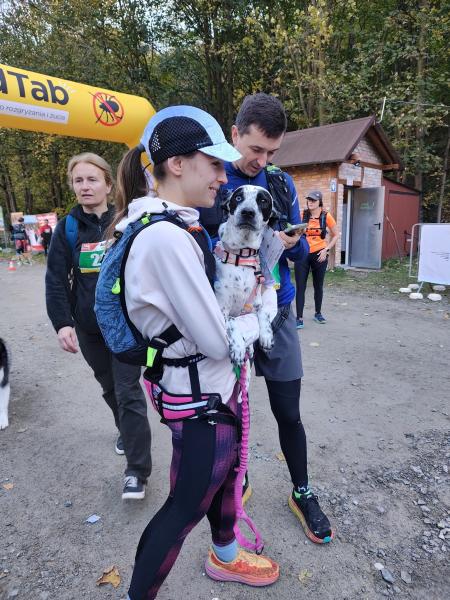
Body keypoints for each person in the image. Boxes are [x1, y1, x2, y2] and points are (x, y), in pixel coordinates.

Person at [109, 105, 280, 600]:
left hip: (215, 388)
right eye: (216, 165)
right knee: (185, 506)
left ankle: (226, 557)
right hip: (198, 398)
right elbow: (216, 338)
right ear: (178, 164)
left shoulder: (181, 227)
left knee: (228, 478)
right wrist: (263, 309)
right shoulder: (165, 237)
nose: (224, 177)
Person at [199, 93, 334, 544]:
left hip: (273, 312)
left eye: (272, 153)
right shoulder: (213, 180)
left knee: (288, 412)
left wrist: (289, 240)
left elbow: (298, 246)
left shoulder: (281, 184)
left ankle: (302, 490)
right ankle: (241, 477)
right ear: (234, 135)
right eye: (255, 149)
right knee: (230, 413)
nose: (262, 160)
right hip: (226, 315)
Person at [45, 152, 152, 500]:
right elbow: (56, 279)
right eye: (78, 180)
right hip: (89, 328)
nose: (85, 186)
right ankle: (125, 430)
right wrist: (62, 323)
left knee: (128, 391)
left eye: (92, 179)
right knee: (108, 387)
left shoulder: (127, 219)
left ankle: (137, 471)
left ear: (108, 183)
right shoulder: (68, 228)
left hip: (124, 326)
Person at [295, 191, 339, 328]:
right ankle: (299, 318)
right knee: (300, 287)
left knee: (318, 286)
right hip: (302, 254)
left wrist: (326, 250)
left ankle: (318, 313)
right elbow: (294, 230)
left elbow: (336, 234)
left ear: (319, 202)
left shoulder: (326, 216)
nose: (310, 202)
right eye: (308, 200)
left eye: (313, 200)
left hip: (319, 254)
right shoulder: (303, 215)